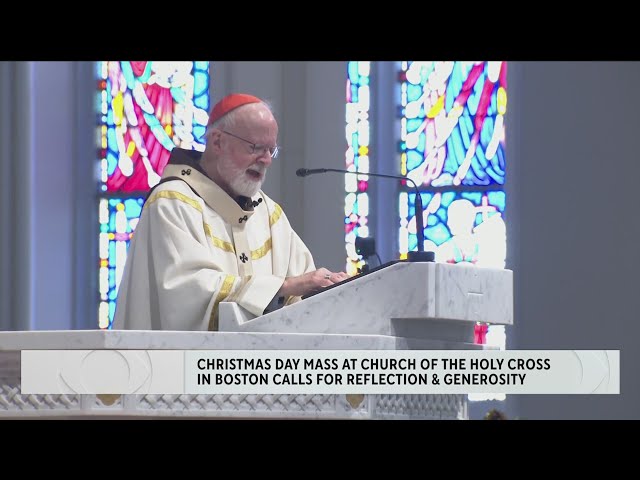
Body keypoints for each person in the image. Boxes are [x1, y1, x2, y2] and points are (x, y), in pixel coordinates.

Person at [113, 93, 348, 331]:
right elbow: (185, 295)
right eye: (256, 148)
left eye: (271, 150)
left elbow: (303, 287)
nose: (266, 160)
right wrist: (282, 287)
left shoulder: (268, 213)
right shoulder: (172, 203)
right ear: (217, 142)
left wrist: (330, 288)